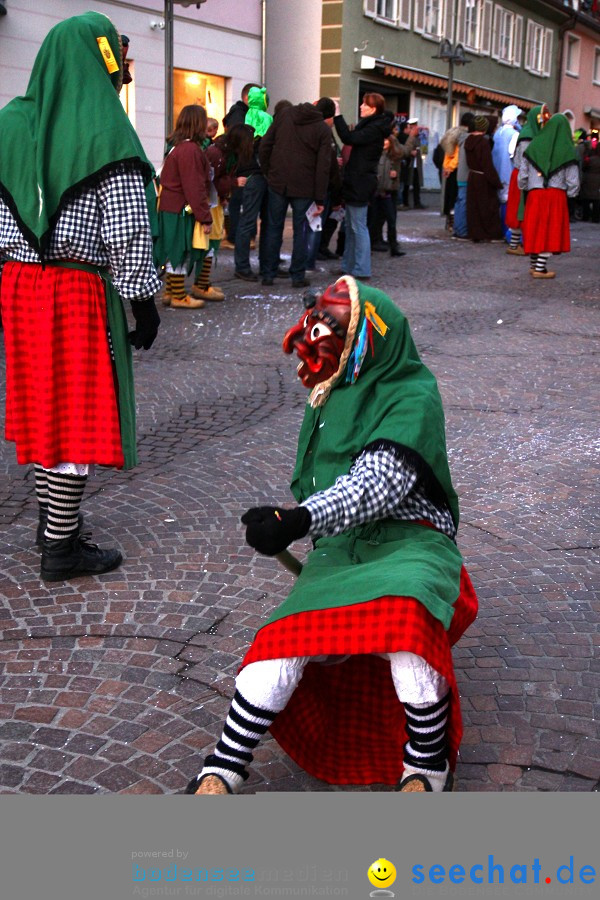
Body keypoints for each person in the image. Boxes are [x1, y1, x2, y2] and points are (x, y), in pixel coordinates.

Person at [184, 276, 478, 796]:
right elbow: (327, 478)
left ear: (368, 338)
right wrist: (295, 522)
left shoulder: (414, 393)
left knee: (408, 625)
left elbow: (378, 483)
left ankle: (425, 767)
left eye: (336, 331)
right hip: (342, 547)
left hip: (412, 540)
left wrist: (298, 521)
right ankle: (224, 766)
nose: (321, 341)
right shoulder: (333, 388)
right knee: (281, 640)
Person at [0, 12, 161, 581]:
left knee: (45, 412)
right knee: (73, 416)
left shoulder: (9, 125)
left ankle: (54, 526)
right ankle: (61, 548)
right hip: (73, 289)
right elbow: (128, 234)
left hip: (19, 287)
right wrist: (144, 301)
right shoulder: (105, 133)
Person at [259, 99, 332, 287]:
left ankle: (268, 273)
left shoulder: (284, 115)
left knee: (273, 228)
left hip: (278, 181)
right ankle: (297, 275)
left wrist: (269, 171)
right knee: (301, 231)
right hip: (305, 186)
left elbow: (265, 144)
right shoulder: (322, 129)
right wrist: (320, 197)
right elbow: (323, 166)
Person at [154, 105, 213, 309]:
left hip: (171, 207)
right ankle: (178, 295)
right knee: (179, 250)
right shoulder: (190, 150)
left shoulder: (178, 146)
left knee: (173, 250)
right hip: (179, 209)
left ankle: (171, 292)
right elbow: (194, 187)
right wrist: (205, 217)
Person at [333, 94, 392, 279]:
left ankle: (361, 269)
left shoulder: (373, 129)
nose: (361, 106)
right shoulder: (371, 126)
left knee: (358, 226)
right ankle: (349, 266)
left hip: (360, 182)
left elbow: (348, 138)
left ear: (373, 109)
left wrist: (337, 115)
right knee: (351, 226)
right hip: (356, 181)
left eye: (365, 104)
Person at [518, 113, 580, 278]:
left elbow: (522, 175)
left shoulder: (533, 146)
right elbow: (573, 181)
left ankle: (534, 264)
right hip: (555, 195)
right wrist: (572, 194)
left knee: (534, 228)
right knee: (548, 231)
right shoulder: (567, 150)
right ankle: (540, 268)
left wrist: (526, 187)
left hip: (534, 194)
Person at [505, 105, 549, 255]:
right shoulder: (528, 136)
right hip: (523, 176)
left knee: (520, 210)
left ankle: (515, 244)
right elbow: (526, 160)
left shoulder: (529, 133)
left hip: (523, 175)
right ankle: (516, 245)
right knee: (520, 210)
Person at [222, 83, 261, 247]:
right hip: (241, 167)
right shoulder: (239, 115)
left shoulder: (247, 114)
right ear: (247, 98)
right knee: (238, 203)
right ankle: (235, 238)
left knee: (244, 204)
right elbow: (237, 143)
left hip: (245, 166)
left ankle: (244, 237)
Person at [464, 116, 503, 242]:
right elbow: (487, 164)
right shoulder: (483, 142)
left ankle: (475, 233)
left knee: (474, 207)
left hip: (472, 176)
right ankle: (489, 233)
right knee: (487, 206)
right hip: (483, 178)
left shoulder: (468, 140)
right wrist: (496, 181)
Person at [491, 105, 523, 241]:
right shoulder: (515, 135)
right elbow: (513, 154)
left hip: (496, 171)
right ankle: (507, 232)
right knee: (507, 203)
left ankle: (499, 230)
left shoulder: (498, 132)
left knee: (499, 202)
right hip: (508, 172)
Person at [451, 112, 475, 240]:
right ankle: (461, 230)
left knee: (460, 202)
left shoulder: (460, 138)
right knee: (463, 202)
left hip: (460, 175)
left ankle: (457, 228)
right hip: (466, 175)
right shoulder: (468, 139)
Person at [400, 119, 425, 209]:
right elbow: (405, 148)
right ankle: (405, 202)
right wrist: (411, 152)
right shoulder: (406, 137)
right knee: (407, 183)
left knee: (416, 183)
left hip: (415, 164)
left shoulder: (417, 137)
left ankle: (416, 202)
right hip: (408, 164)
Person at [581, 145, 600, 223]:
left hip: (588, 178)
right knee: (596, 200)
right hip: (598, 179)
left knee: (586, 199)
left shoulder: (589, 159)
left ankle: (586, 216)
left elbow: (583, 168)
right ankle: (595, 217)